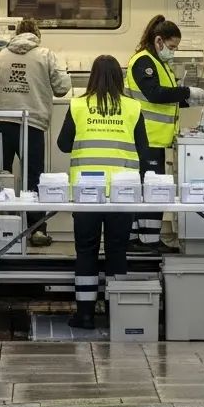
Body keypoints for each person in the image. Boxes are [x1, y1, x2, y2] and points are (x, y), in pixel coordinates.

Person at [57, 54, 151, 330]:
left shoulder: (78, 106)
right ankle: (115, 314)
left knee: (86, 250)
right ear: (119, 78)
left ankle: (85, 315)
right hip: (122, 193)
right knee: (117, 251)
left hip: (87, 193)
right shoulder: (133, 108)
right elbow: (144, 153)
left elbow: (63, 144)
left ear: (92, 76)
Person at [124, 14, 204, 254]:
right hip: (145, 137)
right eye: (172, 47)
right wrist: (186, 91)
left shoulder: (160, 64)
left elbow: (164, 102)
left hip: (155, 138)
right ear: (158, 41)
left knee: (147, 188)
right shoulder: (144, 62)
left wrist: (189, 101)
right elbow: (155, 94)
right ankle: (146, 241)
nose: (173, 52)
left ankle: (141, 239)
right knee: (152, 189)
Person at [0, 18, 71, 247]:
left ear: (17, 33)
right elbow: (63, 87)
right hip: (31, 124)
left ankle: (0, 230)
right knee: (33, 178)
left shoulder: (0, 56)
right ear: (37, 35)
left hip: (0, 122)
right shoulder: (46, 55)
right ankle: (36, 231)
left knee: (0, 176)